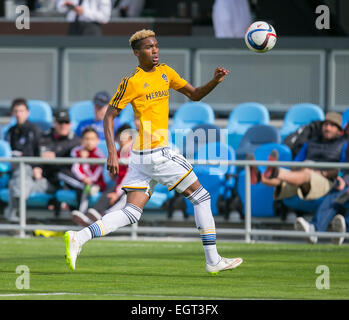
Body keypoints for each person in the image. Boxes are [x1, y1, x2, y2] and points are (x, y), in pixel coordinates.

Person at [64, 29, 243, 274]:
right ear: (137, 53)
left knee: (131, 212)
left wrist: (213, 81)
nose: (155, 50)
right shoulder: (132, 82)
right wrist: (113, 152)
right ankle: (213, 260)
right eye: (149, 47)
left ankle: (79, 237)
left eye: (156, 45)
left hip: (142, 157)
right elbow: (109, 116)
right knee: (202, 197)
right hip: (156, 153)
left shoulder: (166, 72)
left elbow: (194, 94)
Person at [250, 112, 348, 242]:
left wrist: (321, 172)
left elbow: (341, 169)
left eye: (332, 125)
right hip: (303, 176)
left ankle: (274, 172)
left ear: (339, 130)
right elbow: (295, 164)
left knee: (303, 173)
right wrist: (301, 168)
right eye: (325, 124)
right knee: (285, 179)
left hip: (325, 179)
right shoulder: (310, 142)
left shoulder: (344, 144)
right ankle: (260, 178)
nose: (327, 128)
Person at [76, 123, 133, 225]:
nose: (121, 141)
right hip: (120, 184)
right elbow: (115, 175)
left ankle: (103, 218)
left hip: (132, 185)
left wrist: (117, 193)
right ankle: (95, 216)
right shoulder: (118, 152)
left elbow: (128, 177)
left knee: (125, 195)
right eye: (120, 138)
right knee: (110, 188)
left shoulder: (133, 152)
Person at [4, 98, 42, 222]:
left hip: (28, 168)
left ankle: (13, 213)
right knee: (18, 180)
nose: (19, 114)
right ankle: (19, 217)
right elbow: (8, 152)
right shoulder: (10, 131)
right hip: (12, 168)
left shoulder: (34, 130)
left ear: (27, 112)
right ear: (13, 113)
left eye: (21, 110)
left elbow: (37, 152)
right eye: (16, 111)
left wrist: (37, 166)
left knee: (21, 177)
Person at [37, 110, 81, 212]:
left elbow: (72, 148)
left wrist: (55, 154)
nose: (64, 125)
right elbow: (40, 154)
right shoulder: (45, 137)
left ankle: (80, 215)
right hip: (47, 179)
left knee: (80, 185)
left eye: (66, 122)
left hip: (66, 178)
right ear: (54, 123)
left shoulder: (75, 139)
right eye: (60, 122)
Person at [69, 127, 106, 225]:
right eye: (86, 139)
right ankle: (83, 217)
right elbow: (75, 169)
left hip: (96, 184)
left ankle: (82, 215)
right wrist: (82, 159)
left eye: (92, 139)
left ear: (97, 141)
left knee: (87, 189)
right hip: (81, 181)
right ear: (81, 140)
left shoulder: (99, 155)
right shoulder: (76, 151)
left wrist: (87, 178)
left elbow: (96, 175)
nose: (89, 142)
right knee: (84, 187)